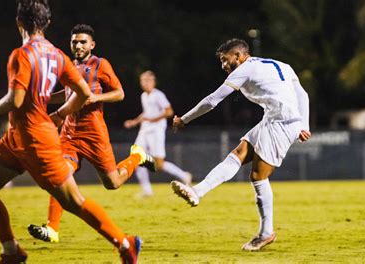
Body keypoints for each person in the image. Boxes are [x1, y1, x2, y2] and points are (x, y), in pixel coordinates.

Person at [0, 1, 143, 263]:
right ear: (47, 24)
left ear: (19, 22)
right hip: (18, 136)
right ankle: (12, 251)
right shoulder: (57, 55)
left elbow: (15, 100)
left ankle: (125, 243)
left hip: (37, 140)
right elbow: (83, 93)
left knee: (73, 201)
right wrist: (61, 114)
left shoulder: (21, 55)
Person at [171, 38, 311, 251]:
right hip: (276, 120)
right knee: (239, 152)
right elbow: (303, 94)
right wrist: (304, 124)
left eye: (225, 60)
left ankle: (266, 233)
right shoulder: (280, 64)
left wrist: (184, 120)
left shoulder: (245, 69)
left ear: (238, 56)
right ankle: (197, 192)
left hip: (281, 123)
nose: (223, 65)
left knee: (258, 176)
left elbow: (212, 100)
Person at [27, 24, 155, 244]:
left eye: (83, 41)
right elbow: (68, 94)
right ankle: (52, 228)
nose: (78, 45)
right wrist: (44, 97)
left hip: (94, 133)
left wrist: (97, 98)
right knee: (60, 175)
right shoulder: (67, 66)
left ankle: (137, 157)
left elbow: (119, 93)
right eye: (75, 41)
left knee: (112, 183)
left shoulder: (100, 64)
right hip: (69, 133)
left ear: (92, 44)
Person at [124, 70, 192, 197]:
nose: (145, 83)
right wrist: (134, 122)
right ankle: (147, 190)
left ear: (153, 82)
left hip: (156, 131)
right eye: (143, 81)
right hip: (144, 130)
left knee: (159, 164)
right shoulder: (144, 96)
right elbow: (146, 113)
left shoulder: (158, 95)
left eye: (148, 80)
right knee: (135, 158)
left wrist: (152, 119)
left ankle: (184, 175)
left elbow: (169, 111)